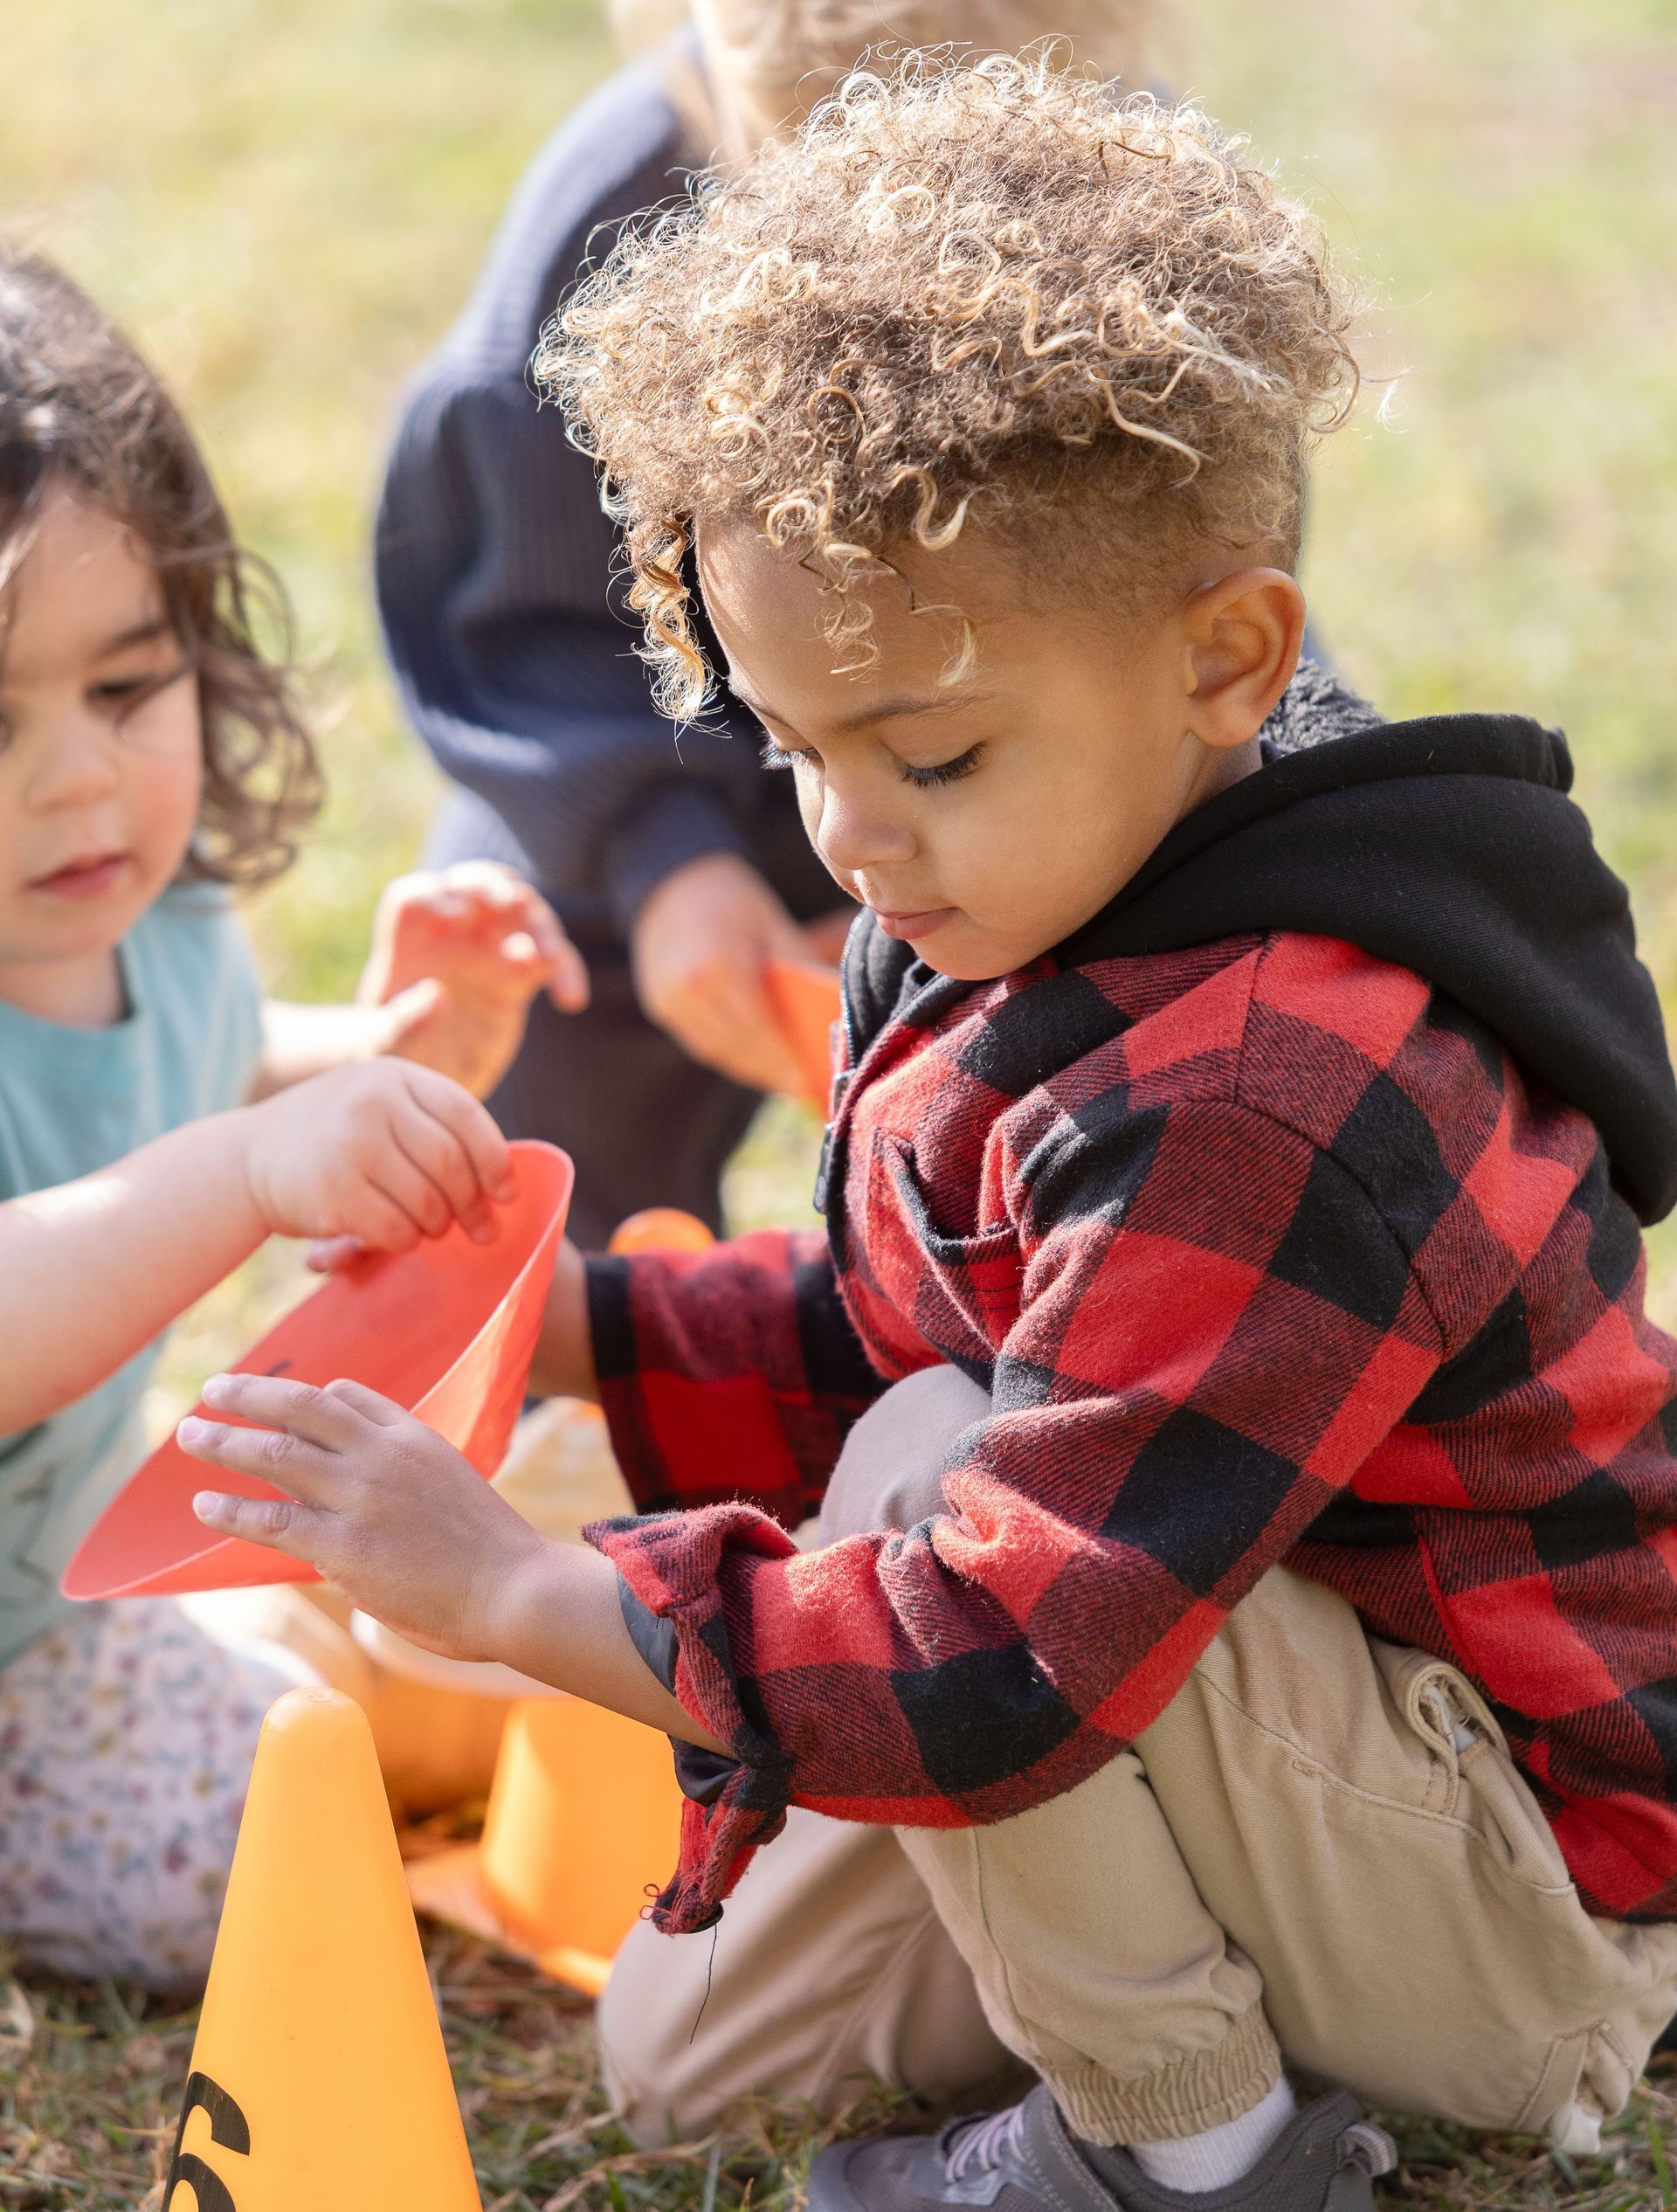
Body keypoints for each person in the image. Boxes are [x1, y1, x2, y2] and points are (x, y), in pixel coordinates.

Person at [182, 53, 1677, 2209]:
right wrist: (584, 1319)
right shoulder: (1045, 887)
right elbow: (927, 1309)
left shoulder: (1274, 1079)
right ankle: (1174, 2011)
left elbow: (999, 1640)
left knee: (930, 1483)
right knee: (699, 2056)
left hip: (1521, 1906)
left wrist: (515, 1588)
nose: (851, 836)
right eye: (789, 747)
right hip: (1239, 1743)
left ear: (1231, 658)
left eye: (937, 752)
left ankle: (1192, 2152)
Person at [0, 244, 583, 1985]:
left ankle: (260, 1651)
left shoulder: (148, 925)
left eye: (126, 688)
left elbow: (205, 1060)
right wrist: (241, 1174)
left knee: (440, 1679)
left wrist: (387, 1046)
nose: (80, 775)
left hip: (54, 1614)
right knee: (279, 1853)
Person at [374, 0, 1150, 1246]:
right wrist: (662, 862)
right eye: (804, 168)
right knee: (541, 1002)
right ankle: (584, 1337)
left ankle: (1018, 1305)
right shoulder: (598, 231)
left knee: (1148, 1017)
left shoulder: (1141, 218)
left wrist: (986, 830)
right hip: (657, 751)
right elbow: (525, 624)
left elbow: (1192, 570)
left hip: (1022, 750)